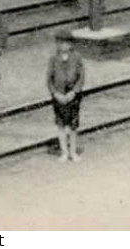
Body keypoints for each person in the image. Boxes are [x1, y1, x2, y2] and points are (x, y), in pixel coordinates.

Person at [46, 31, 85, 162]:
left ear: (71, 44)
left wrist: (74, 92)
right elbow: (49, 79)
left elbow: (81, 77)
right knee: (61, 124)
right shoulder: (53, 59)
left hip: (73, 96)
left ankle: (73, 151)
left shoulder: (77, 58)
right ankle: (64, 151)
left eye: (67, 43)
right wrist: (55, 93)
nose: (64, 46)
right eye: (60, 43)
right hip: (58, 96)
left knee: (73, 125)